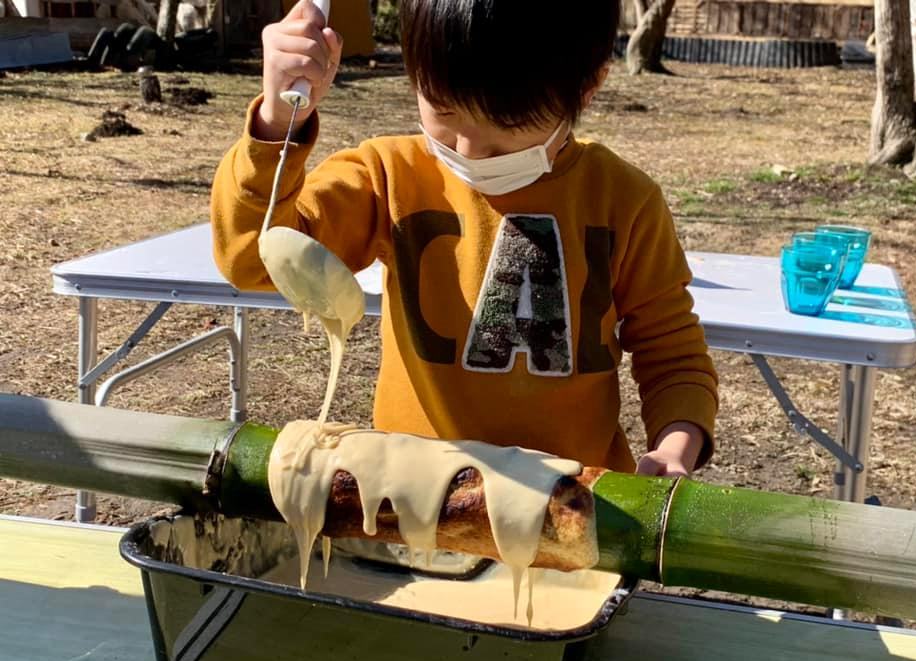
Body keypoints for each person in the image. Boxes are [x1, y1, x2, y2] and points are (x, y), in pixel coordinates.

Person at [211, 0, 718, 478]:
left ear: (587, 87)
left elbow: (671, 349)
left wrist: (676, 442)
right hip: (412, 499)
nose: (471, 150)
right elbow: (255, 261)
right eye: (443, 111)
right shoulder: (389, 177)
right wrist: (278, 123)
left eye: (508, 128)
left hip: (573, 507)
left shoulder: (622, 201)